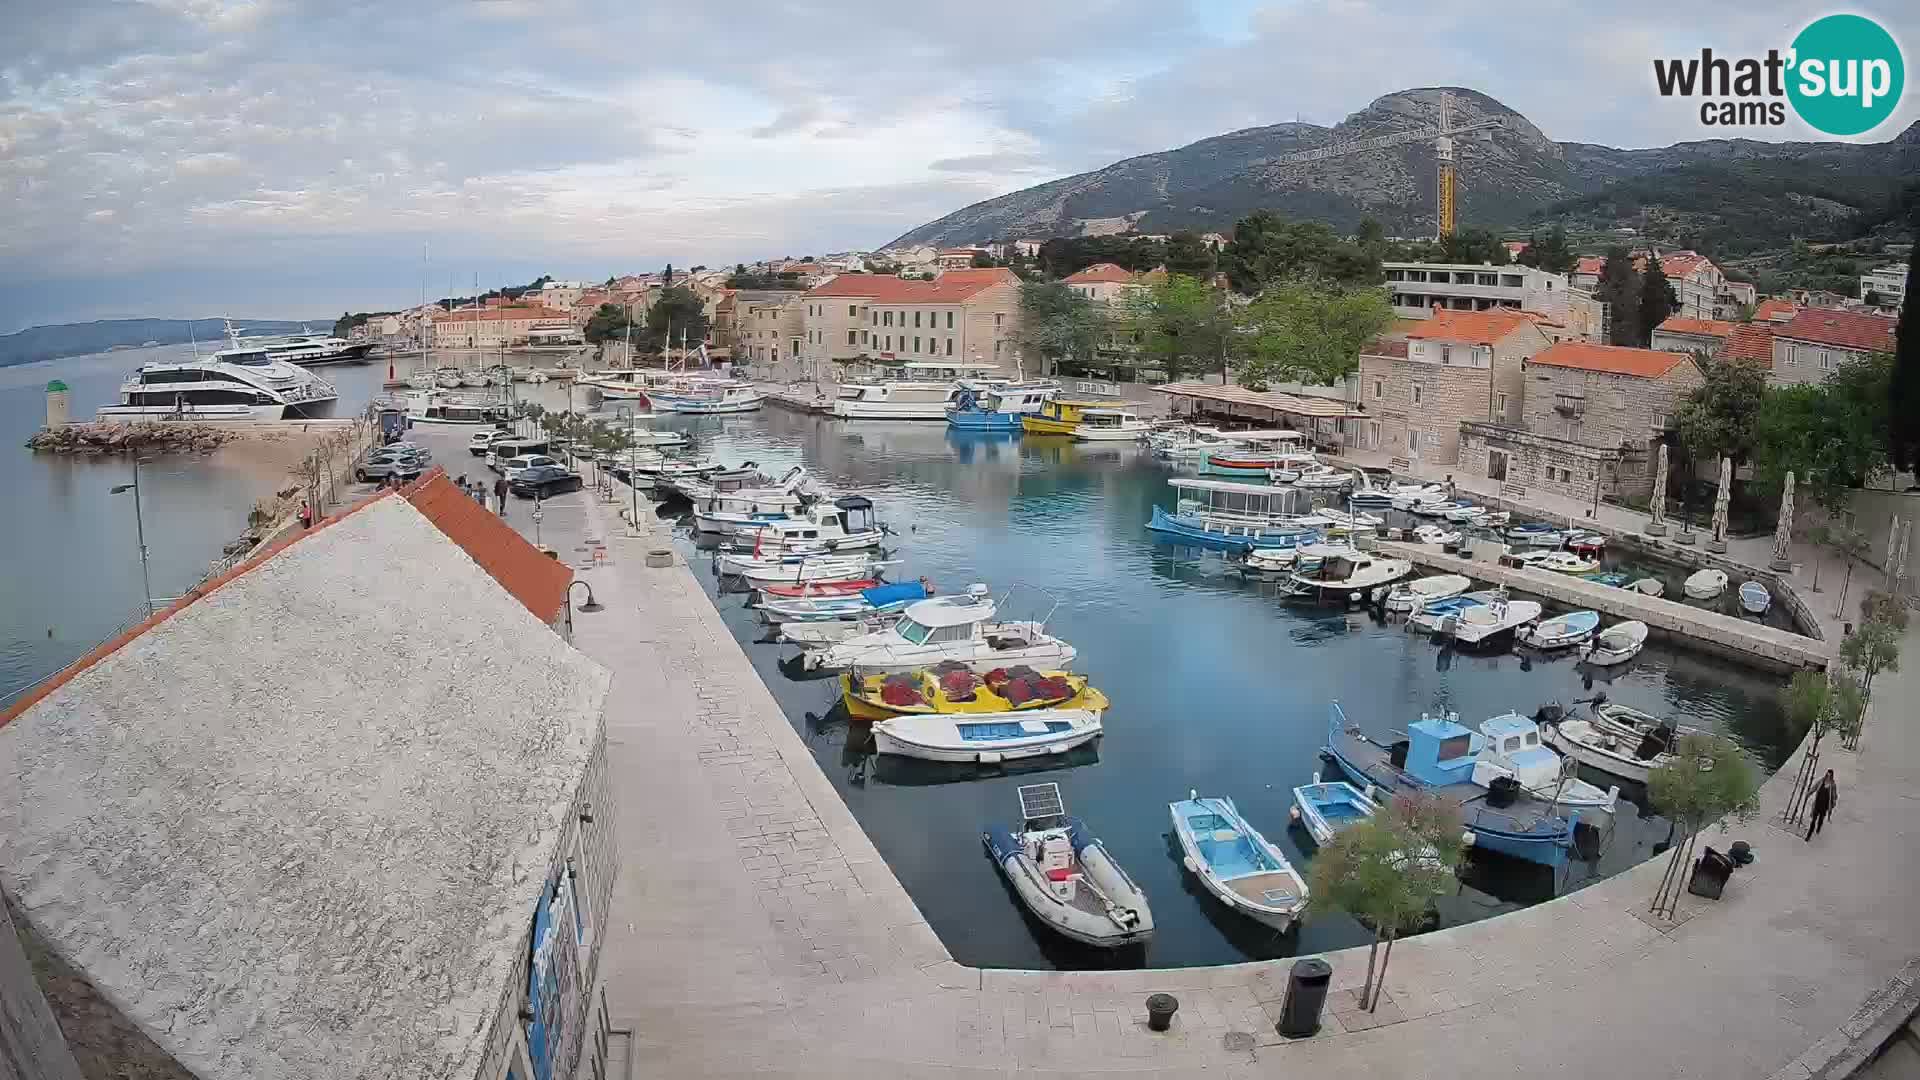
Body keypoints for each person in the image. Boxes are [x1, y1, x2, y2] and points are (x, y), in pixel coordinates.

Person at [1805, 769, 1838, 841]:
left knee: (1821, 819)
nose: (1828, 777)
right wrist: (1808, 793)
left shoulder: (1833, 785)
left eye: (1830, 775)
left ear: (1831, 776)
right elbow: (1814, 787)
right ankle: (1808, 835)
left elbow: (1834, 795)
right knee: (1813, 820)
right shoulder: (1821, 781)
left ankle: (1818, 828)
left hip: (1825, 806)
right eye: (1827, 775)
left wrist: (1833, 802)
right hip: (1817, 804)